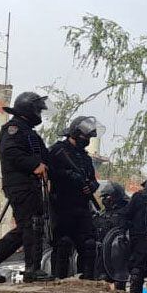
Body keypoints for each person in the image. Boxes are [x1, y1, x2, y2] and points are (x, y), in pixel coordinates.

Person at [0, 91, 52, 283]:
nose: (39, 114)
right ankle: (32, 269)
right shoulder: (13, 128)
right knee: (31, 225)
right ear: (28, 109)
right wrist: (34, 165)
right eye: (37, 110)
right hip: (20, 185)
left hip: (31, 186)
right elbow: (10, 152)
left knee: (29, 227)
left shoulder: (30, 133)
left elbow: (46, 156)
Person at [48, 116, 100, 279]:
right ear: (75, 133)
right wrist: (68, 175)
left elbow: (93, 180)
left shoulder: (85, 158)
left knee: (89, 245)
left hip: (82, 206)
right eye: (85, 136)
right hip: (62, 205)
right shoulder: (58, 150)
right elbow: (48, 172)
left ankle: (86, 283)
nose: (87, 140)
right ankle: (59, 282)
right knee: (63, 244)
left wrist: (91, 186)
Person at [92, 181, 130, 290]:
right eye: (103, 197)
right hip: (101, 257)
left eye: (107, 196)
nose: (104, 199)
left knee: (119, 285)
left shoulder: (126, 213)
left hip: (119, 259)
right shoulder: (101, 215)